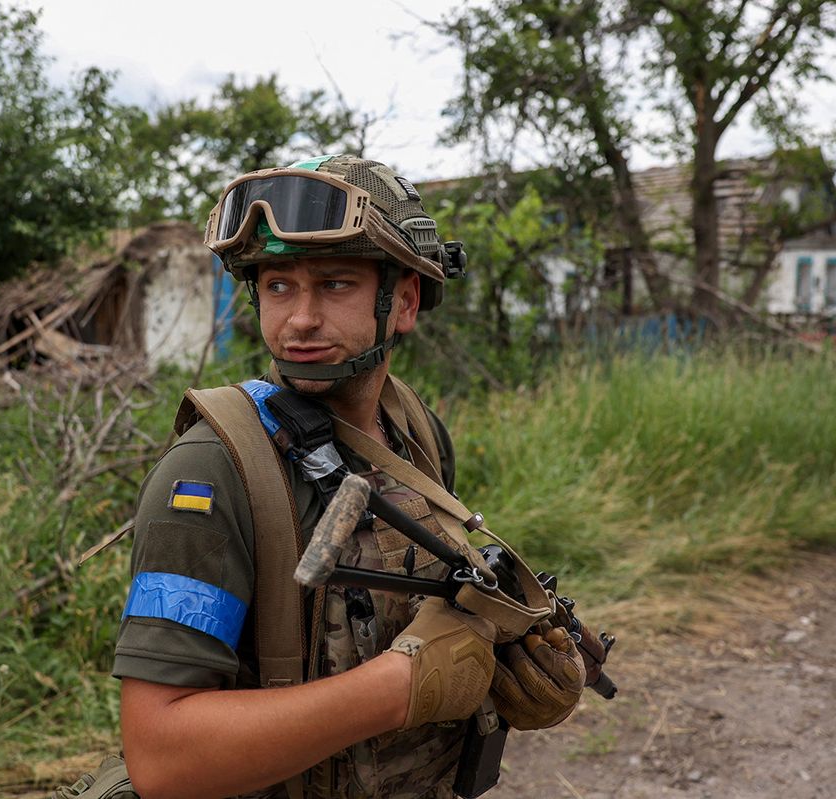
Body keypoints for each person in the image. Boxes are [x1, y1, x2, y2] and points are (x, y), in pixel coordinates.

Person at [110, 155, 586, 799]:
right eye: (278, 286)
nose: (300, 319)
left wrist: (502, 670)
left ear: (405, 301)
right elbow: (164, 759)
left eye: (334, 284)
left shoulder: (411, 428)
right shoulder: (210, 473)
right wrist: (402, 687)